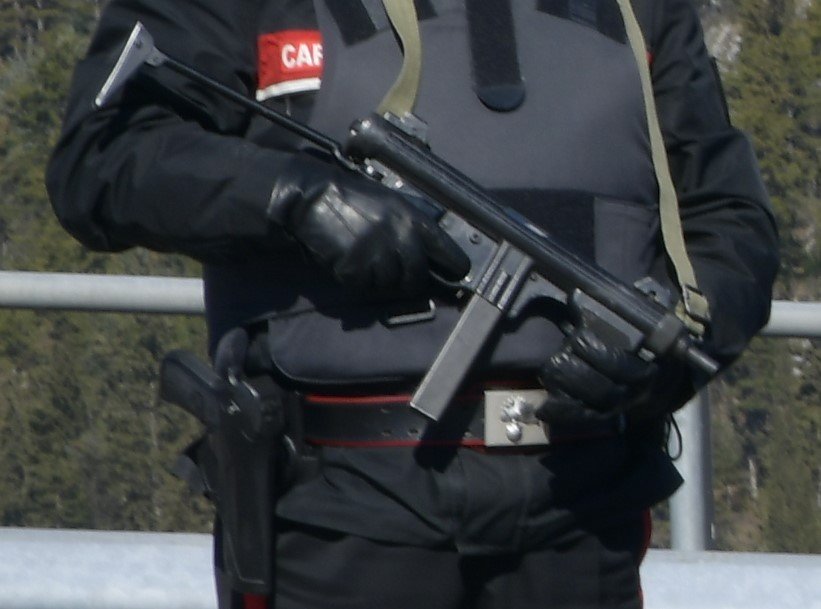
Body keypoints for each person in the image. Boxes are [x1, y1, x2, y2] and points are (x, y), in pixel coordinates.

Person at [46, 0, 779, 608]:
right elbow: (102, 157)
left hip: (582, 507)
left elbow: (730, 220)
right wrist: (289, 197)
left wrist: (666, 343)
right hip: (339, 507)